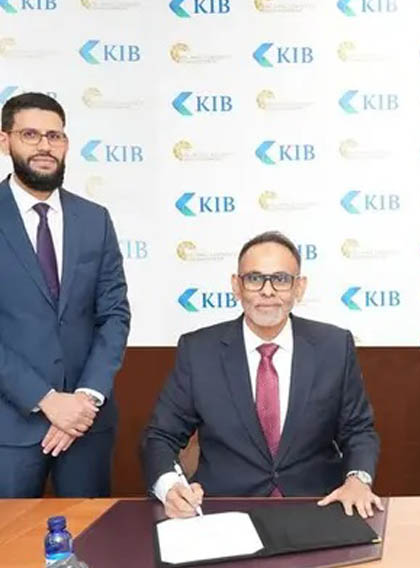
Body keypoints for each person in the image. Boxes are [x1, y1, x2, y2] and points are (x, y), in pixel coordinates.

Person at [142, 231, 382, 519]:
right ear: (236, 285)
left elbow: (358, 430)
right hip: (224, 511)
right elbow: (160, 436)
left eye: (281, 279)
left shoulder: (334, 346)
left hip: (316, 507)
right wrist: (170, 487)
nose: (267, 291)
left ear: (299, 287)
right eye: (255, 278)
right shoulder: (199, 351)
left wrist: (358, 480)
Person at [0, 92, 131, 497]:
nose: (44, 146)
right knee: (8, 537)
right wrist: (45, 400)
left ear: (66, 143)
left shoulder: (95, 219)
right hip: (10, 426)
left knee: (92, 532)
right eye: (30, 134)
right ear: (5, 141)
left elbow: (114, 314)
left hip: (86, 425)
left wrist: (85, 399)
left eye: (54, 136)